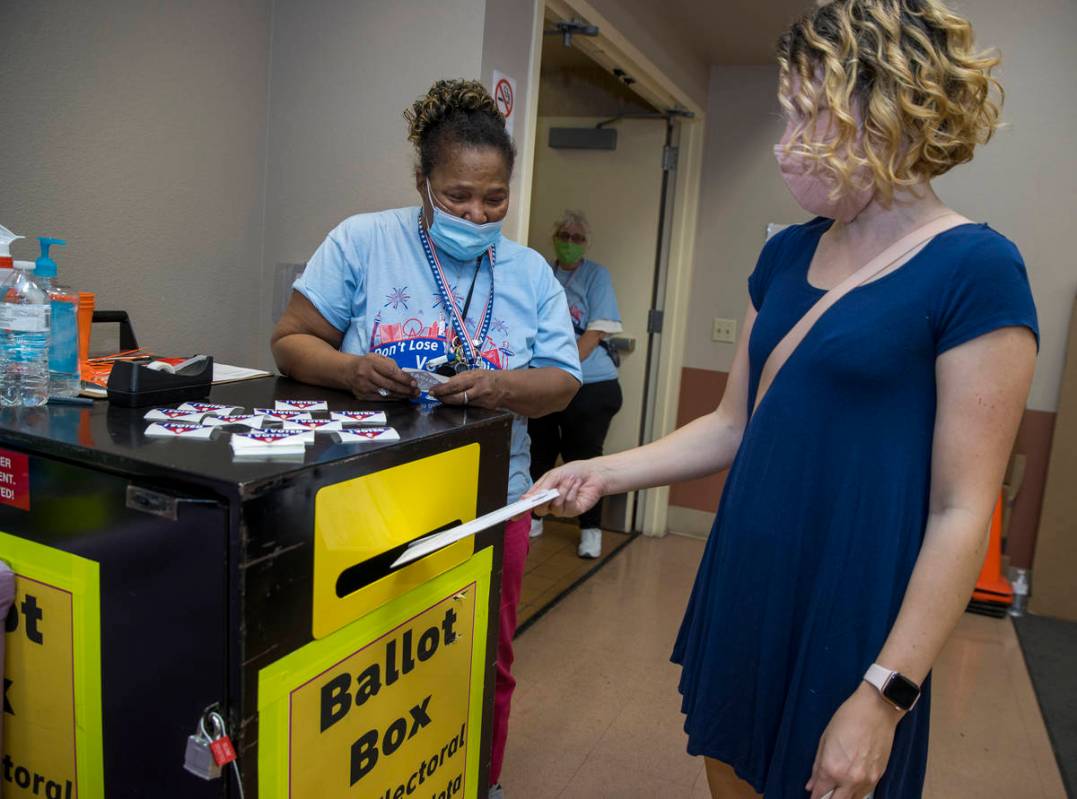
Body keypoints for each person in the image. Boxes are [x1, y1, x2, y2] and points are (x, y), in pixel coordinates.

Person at [529, 1, 1038, 796]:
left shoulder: (975, 269)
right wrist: (605, 470)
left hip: (856, 604)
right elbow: (735, 422)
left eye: (810, 113)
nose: (786, 140)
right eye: (788, 111)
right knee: (729, 766)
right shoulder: (787, 254)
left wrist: (883, 694)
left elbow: (959, 509)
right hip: (749, 576)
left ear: (887, 112)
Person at [270, 79, 582, 798]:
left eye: (494, 198)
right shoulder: (363, 241)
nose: (477, 214)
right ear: (421, 183)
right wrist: (350, 369)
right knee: (365, 658)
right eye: (456, 197)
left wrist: (496, 384)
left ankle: (478, 780)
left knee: (479, 655)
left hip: (487, 499)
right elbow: (289, 341)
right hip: (365, 495)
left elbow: (562, 382)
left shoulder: (529, 271)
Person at [528, 210, 623, 558]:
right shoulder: (543, 273)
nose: (570, 243)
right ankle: (535, 516)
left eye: (577, 238)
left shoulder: (596, 276)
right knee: (538, 451)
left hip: (591, 384)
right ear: (555, 238)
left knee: (582, 457)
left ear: (586, 244)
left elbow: (596, 331)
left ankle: (591, 529)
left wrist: (563, 369)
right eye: (564, 236)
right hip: (545, 379)